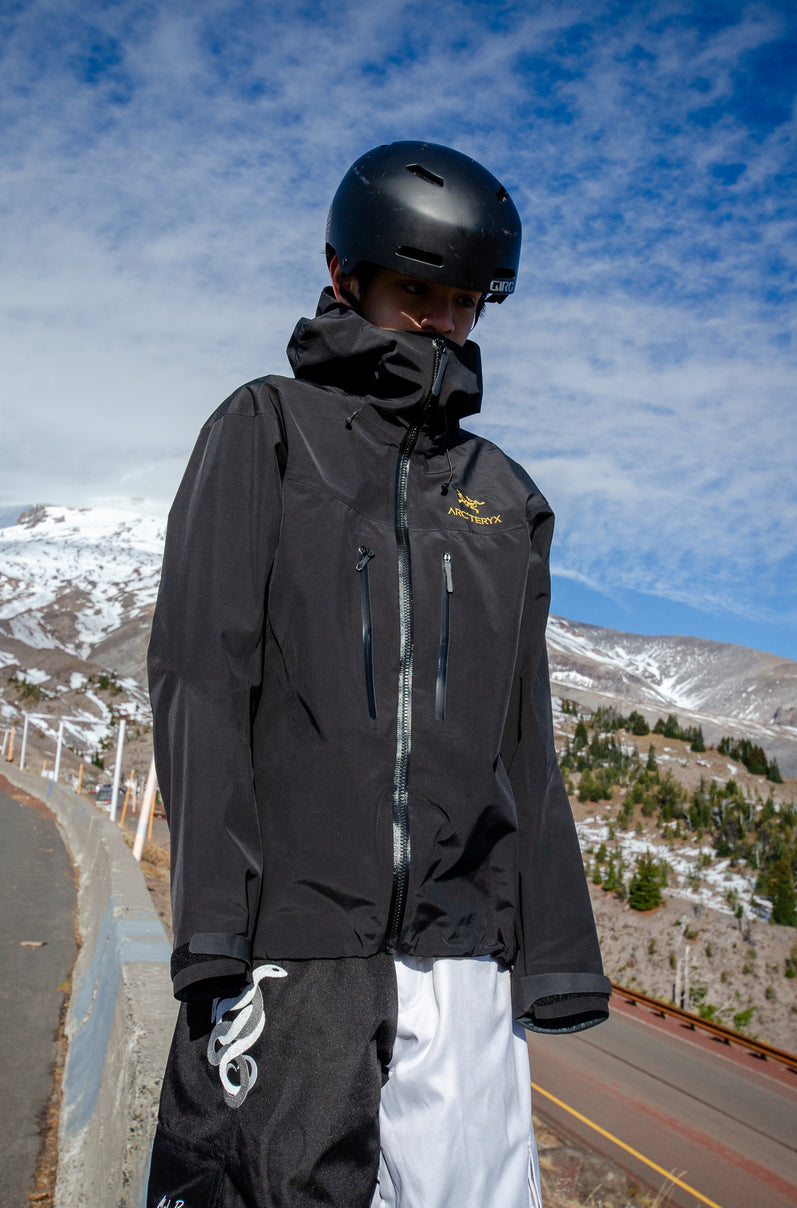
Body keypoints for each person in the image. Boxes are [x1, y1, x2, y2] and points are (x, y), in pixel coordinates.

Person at [146, 141, 610, 1208]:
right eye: (415, 293)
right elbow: (200, 672)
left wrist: (552, 951)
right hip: (293, 949)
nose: (440, 325)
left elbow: (521, 735)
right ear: (342, 271)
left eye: (462, 301)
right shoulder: (266, 428)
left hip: (460, 963)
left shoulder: (505, 497)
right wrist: (215, 922)